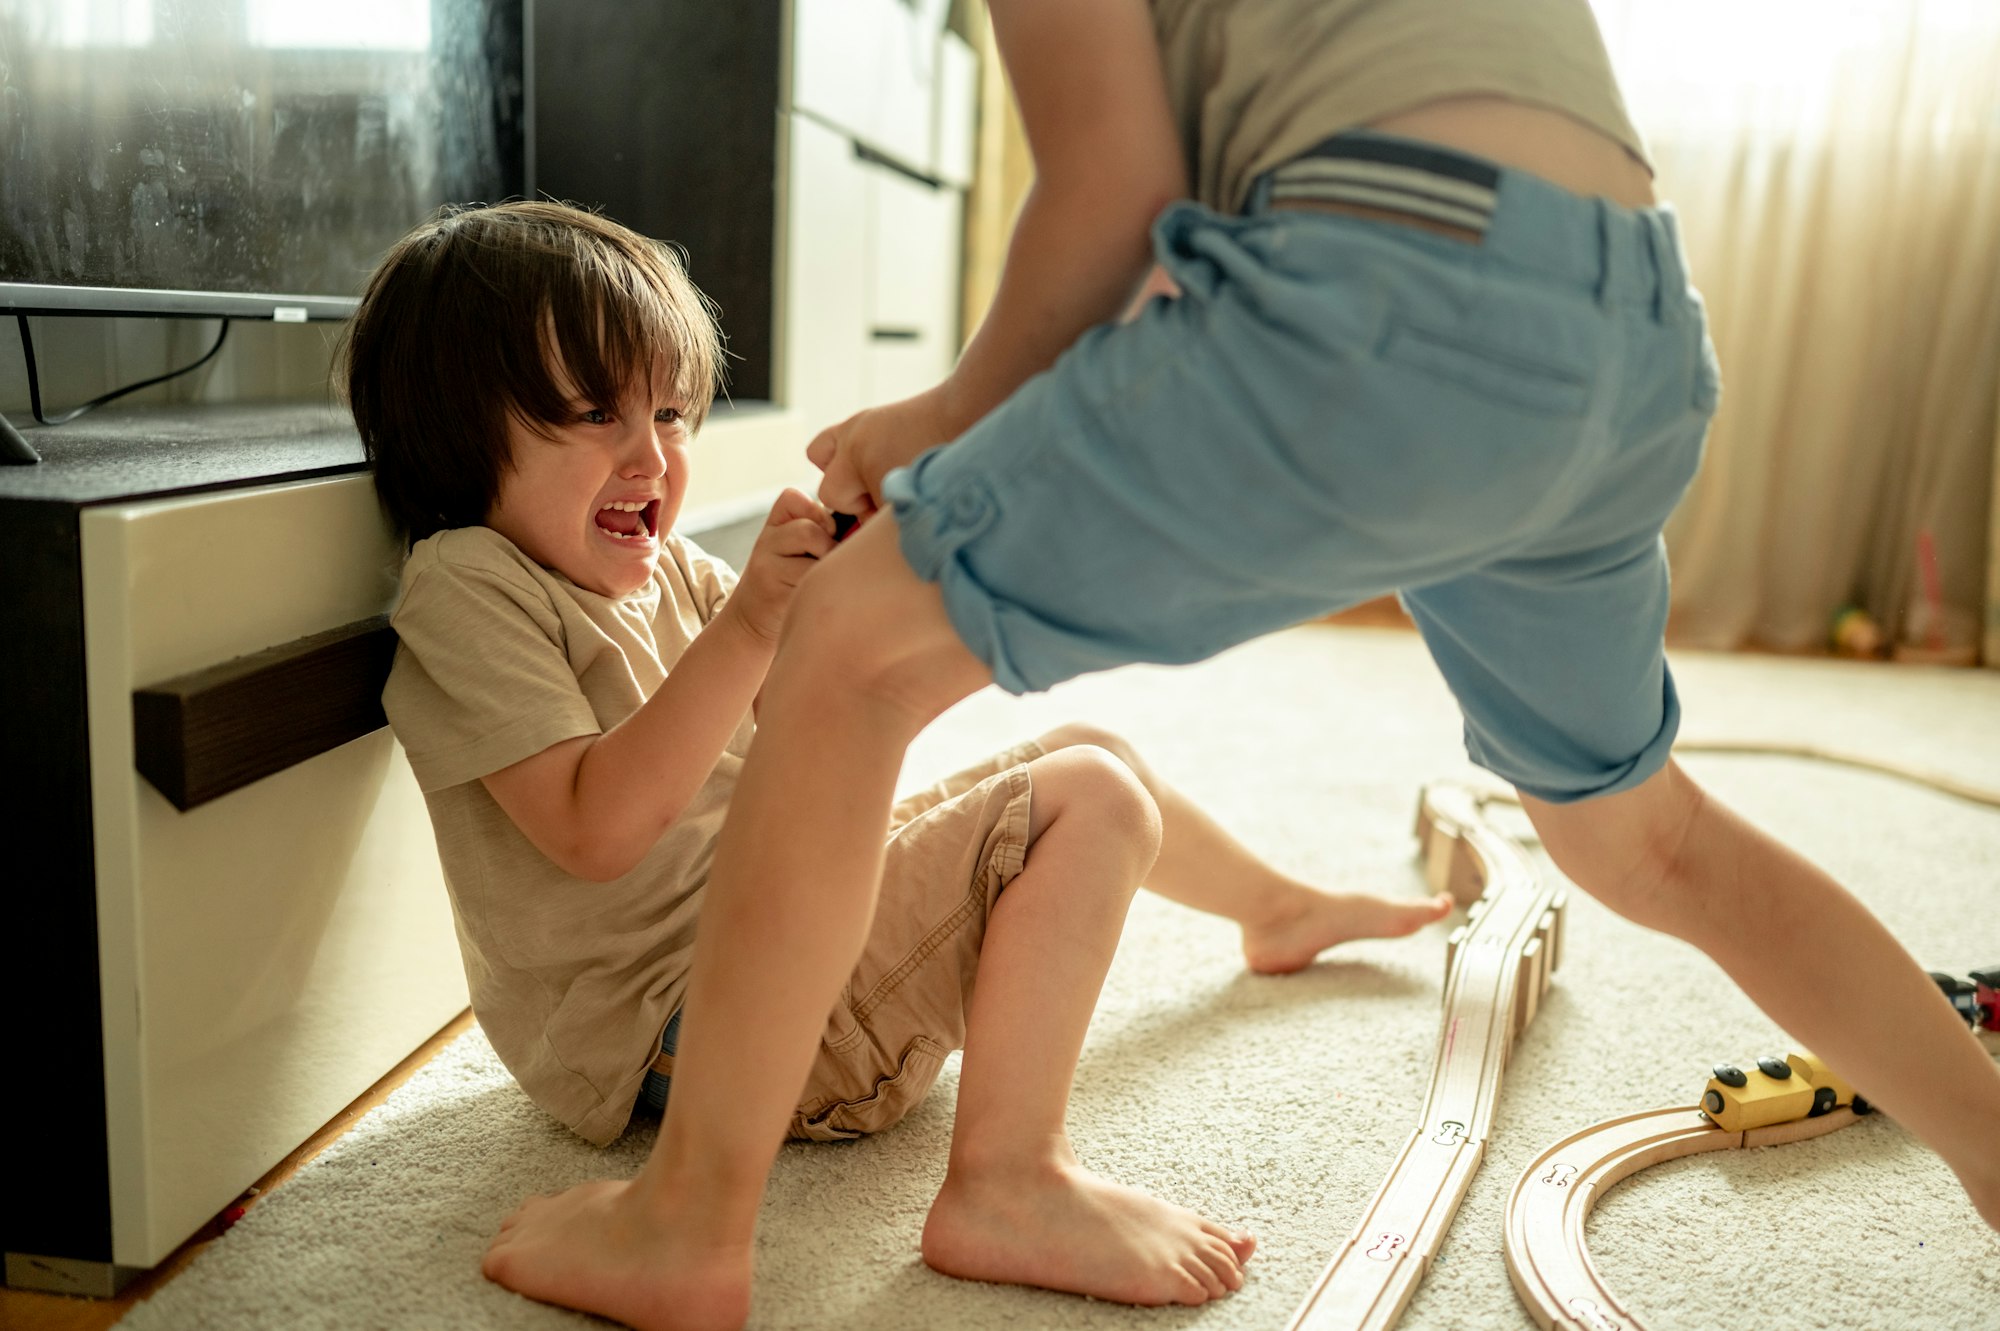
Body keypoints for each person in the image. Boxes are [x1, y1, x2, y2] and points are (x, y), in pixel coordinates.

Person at [478, 2, 2000, 1328]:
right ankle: (1990, 1137)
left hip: (1393, 288)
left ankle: (689, 1221)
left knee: (847, 646)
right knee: (1648, 834)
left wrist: (947, 416)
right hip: (1631, 336)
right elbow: (1198, 220)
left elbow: (1116, 191)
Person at [341, 200, 1453, 1318]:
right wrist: (750, 626)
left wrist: (834, 591)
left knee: (1083, 750)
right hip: (674, 1028)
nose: (653, 456)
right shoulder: (466, 582)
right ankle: (1008, 1178)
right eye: (594, 413)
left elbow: (811, 731)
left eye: (672, 413)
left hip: (752, 951)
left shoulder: (667, 571)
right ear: (456, 428)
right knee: (1088, 803)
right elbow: (594, 827)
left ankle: (1275, 906)